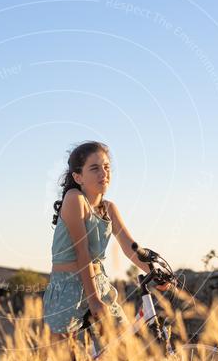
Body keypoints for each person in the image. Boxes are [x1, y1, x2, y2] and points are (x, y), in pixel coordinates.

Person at [43, 142, 165, 345]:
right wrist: (93, 300)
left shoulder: (109, 208)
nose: (103, 173)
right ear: (77, 177)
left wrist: (155, 271)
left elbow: (130, 247)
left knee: (122, 350)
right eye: (95, 168)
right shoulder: (74, 199)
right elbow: (82, 252)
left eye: (107, 167)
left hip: (98, 282)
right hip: (68, 286)